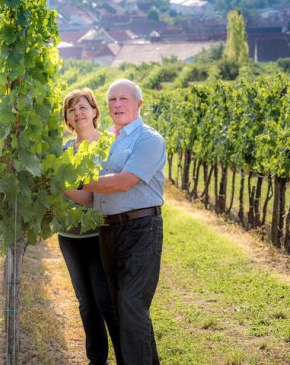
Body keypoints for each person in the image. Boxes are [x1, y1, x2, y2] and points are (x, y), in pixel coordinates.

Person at [78, 79, 166, 365]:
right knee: (124, 308)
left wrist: (79, 179)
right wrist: (56, 184)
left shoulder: (148, 139)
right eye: (112, 100)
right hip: (108, 230)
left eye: (123, 99)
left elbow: (123, 182)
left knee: (130, 305)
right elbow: (92, 195)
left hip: (141, 229)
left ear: (138, 104)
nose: (117, 105)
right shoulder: (105, 141)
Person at [60, 88, 123, 365]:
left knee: (105, 299)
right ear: (68, 120)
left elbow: (103, 193)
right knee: (85, 302)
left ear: (95, 111)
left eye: (83, 107)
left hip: (102, 233)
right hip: (70, 236)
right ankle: (96, 359)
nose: (78, 113)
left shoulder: (111, 145)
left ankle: (125, 356)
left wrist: (63, 187)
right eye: (72, 110)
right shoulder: (64, 152)